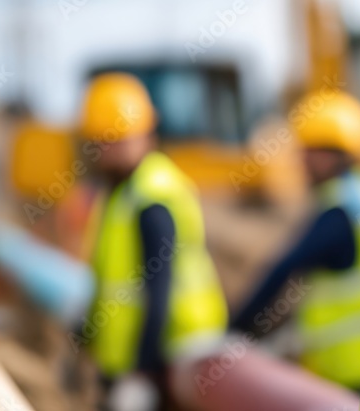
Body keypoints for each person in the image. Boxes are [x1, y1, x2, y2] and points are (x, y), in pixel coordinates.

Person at [231, 91, 360, 391]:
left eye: (308, 152)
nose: (301, 162)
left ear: (329, 155)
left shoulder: (339, 209)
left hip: (352, 373)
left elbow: (284, 269)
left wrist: (233, 332)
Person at [77, 72, 228, 408]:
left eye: (117, 141)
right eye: (102, 142)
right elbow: (109, 281)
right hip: (132, 359)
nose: (107, 151)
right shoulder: (121, 192)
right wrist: (86, 337)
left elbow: (158, 288)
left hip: (171, 356)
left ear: (146, 135)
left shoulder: (153, 196)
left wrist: (142, 374)